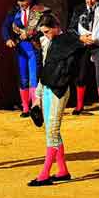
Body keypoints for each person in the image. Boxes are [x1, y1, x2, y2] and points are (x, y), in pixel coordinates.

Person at [28, 14, 79, 187]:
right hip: (48, 89)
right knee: (51, 130)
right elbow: (44, 70)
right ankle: (62, 170)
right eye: (44, 32)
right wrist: (38, 96)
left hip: (59, 90)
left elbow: (81, 42)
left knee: (53, 131)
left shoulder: (68, 41)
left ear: (56, 27)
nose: (47, 35)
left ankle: (44, 174)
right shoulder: (46, 42)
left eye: (48, 31)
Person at [2, 0, 50, 117]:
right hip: (21, 49)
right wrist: (7, 39)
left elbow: (46, 27)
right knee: (23, 77)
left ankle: (35, 106)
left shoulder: (39, 11)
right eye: (19, 1)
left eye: (24, 1)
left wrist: (30, 33)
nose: (21, 3)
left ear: (30, 0)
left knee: (34, 77)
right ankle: (25, 108)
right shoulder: (14, 11)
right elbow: (5, 27)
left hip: (34, 47)